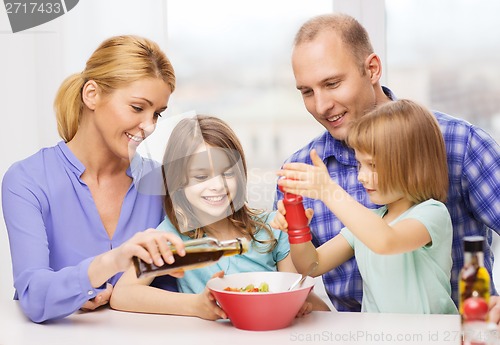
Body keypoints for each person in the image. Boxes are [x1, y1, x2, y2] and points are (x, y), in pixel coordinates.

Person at [275, 13, 500, 316]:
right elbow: (304, 269)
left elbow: (386, 241)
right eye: (307, 91)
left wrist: (328, 191)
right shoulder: (304, 170)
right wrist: (295, 225)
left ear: (372, 69)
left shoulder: (459, 144)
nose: (321, 105)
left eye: (332, 83)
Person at [1, 35, 186, 323]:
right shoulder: (27, 180)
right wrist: (107, 265)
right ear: (92, 95)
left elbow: (176, 282)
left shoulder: (159, 180)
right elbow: (33, 296)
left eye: (157, 114)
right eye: (138, 108)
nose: (149, 127)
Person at [110, 115, 330, 319]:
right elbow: (124, 294)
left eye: (227, 173)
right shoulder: (171, 237)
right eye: (201, 176)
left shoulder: (271, 229)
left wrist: (299, 305)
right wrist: (197, 305)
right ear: (178, 181)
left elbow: (299, 295)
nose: (217, 186)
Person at [272, 99, 458, 314]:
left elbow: (386, 241)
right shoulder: (368, 223)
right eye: (360, 164)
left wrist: (328, 190)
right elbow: (312, 266)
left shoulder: (432, 213)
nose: (361, 176)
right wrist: (298, 230)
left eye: (373, 165)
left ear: (413, 166)